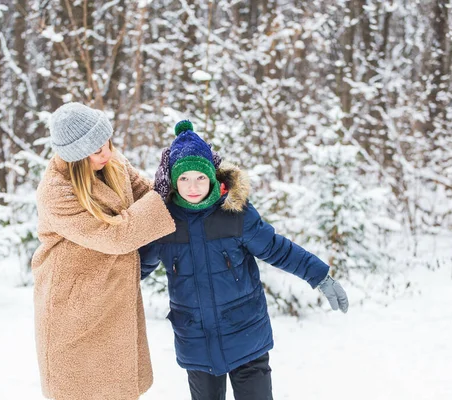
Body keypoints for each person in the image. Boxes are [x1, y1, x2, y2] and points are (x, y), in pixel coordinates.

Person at [140, 120, 348, 400]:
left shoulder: (235, 214)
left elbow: (277, 248)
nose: (193, 186)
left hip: (247, 334)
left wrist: (318, 275)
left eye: (200, 177)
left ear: (212, 177)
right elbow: (133, 270)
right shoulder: (164, 223)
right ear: (174, 181)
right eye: (184, 178)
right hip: (196, 341)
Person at [31, 102, 176, 400]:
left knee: (118, 387)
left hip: (112, 294)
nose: (106, 152)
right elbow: (116, 235)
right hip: (73, 306)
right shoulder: (56, 192)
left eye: (107, 142)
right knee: (83, 389)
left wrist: (180, 184)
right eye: (97, 151)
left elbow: (147, 196)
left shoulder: (112, 162)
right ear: (76, 157)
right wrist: (160, 198)